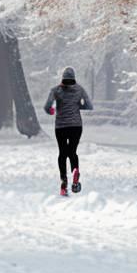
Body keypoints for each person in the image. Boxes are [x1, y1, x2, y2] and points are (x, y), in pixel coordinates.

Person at [44, 66, 93, 196]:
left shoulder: (56, 90)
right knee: (72, 152)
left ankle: (63, 183)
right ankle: (75, 171)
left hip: (61, 126)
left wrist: (52, 110)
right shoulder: (80, 90)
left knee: (62, 153)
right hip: (76, 126)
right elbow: (89, 105)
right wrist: (78, 106)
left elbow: (47, 107)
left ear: (63, 77)